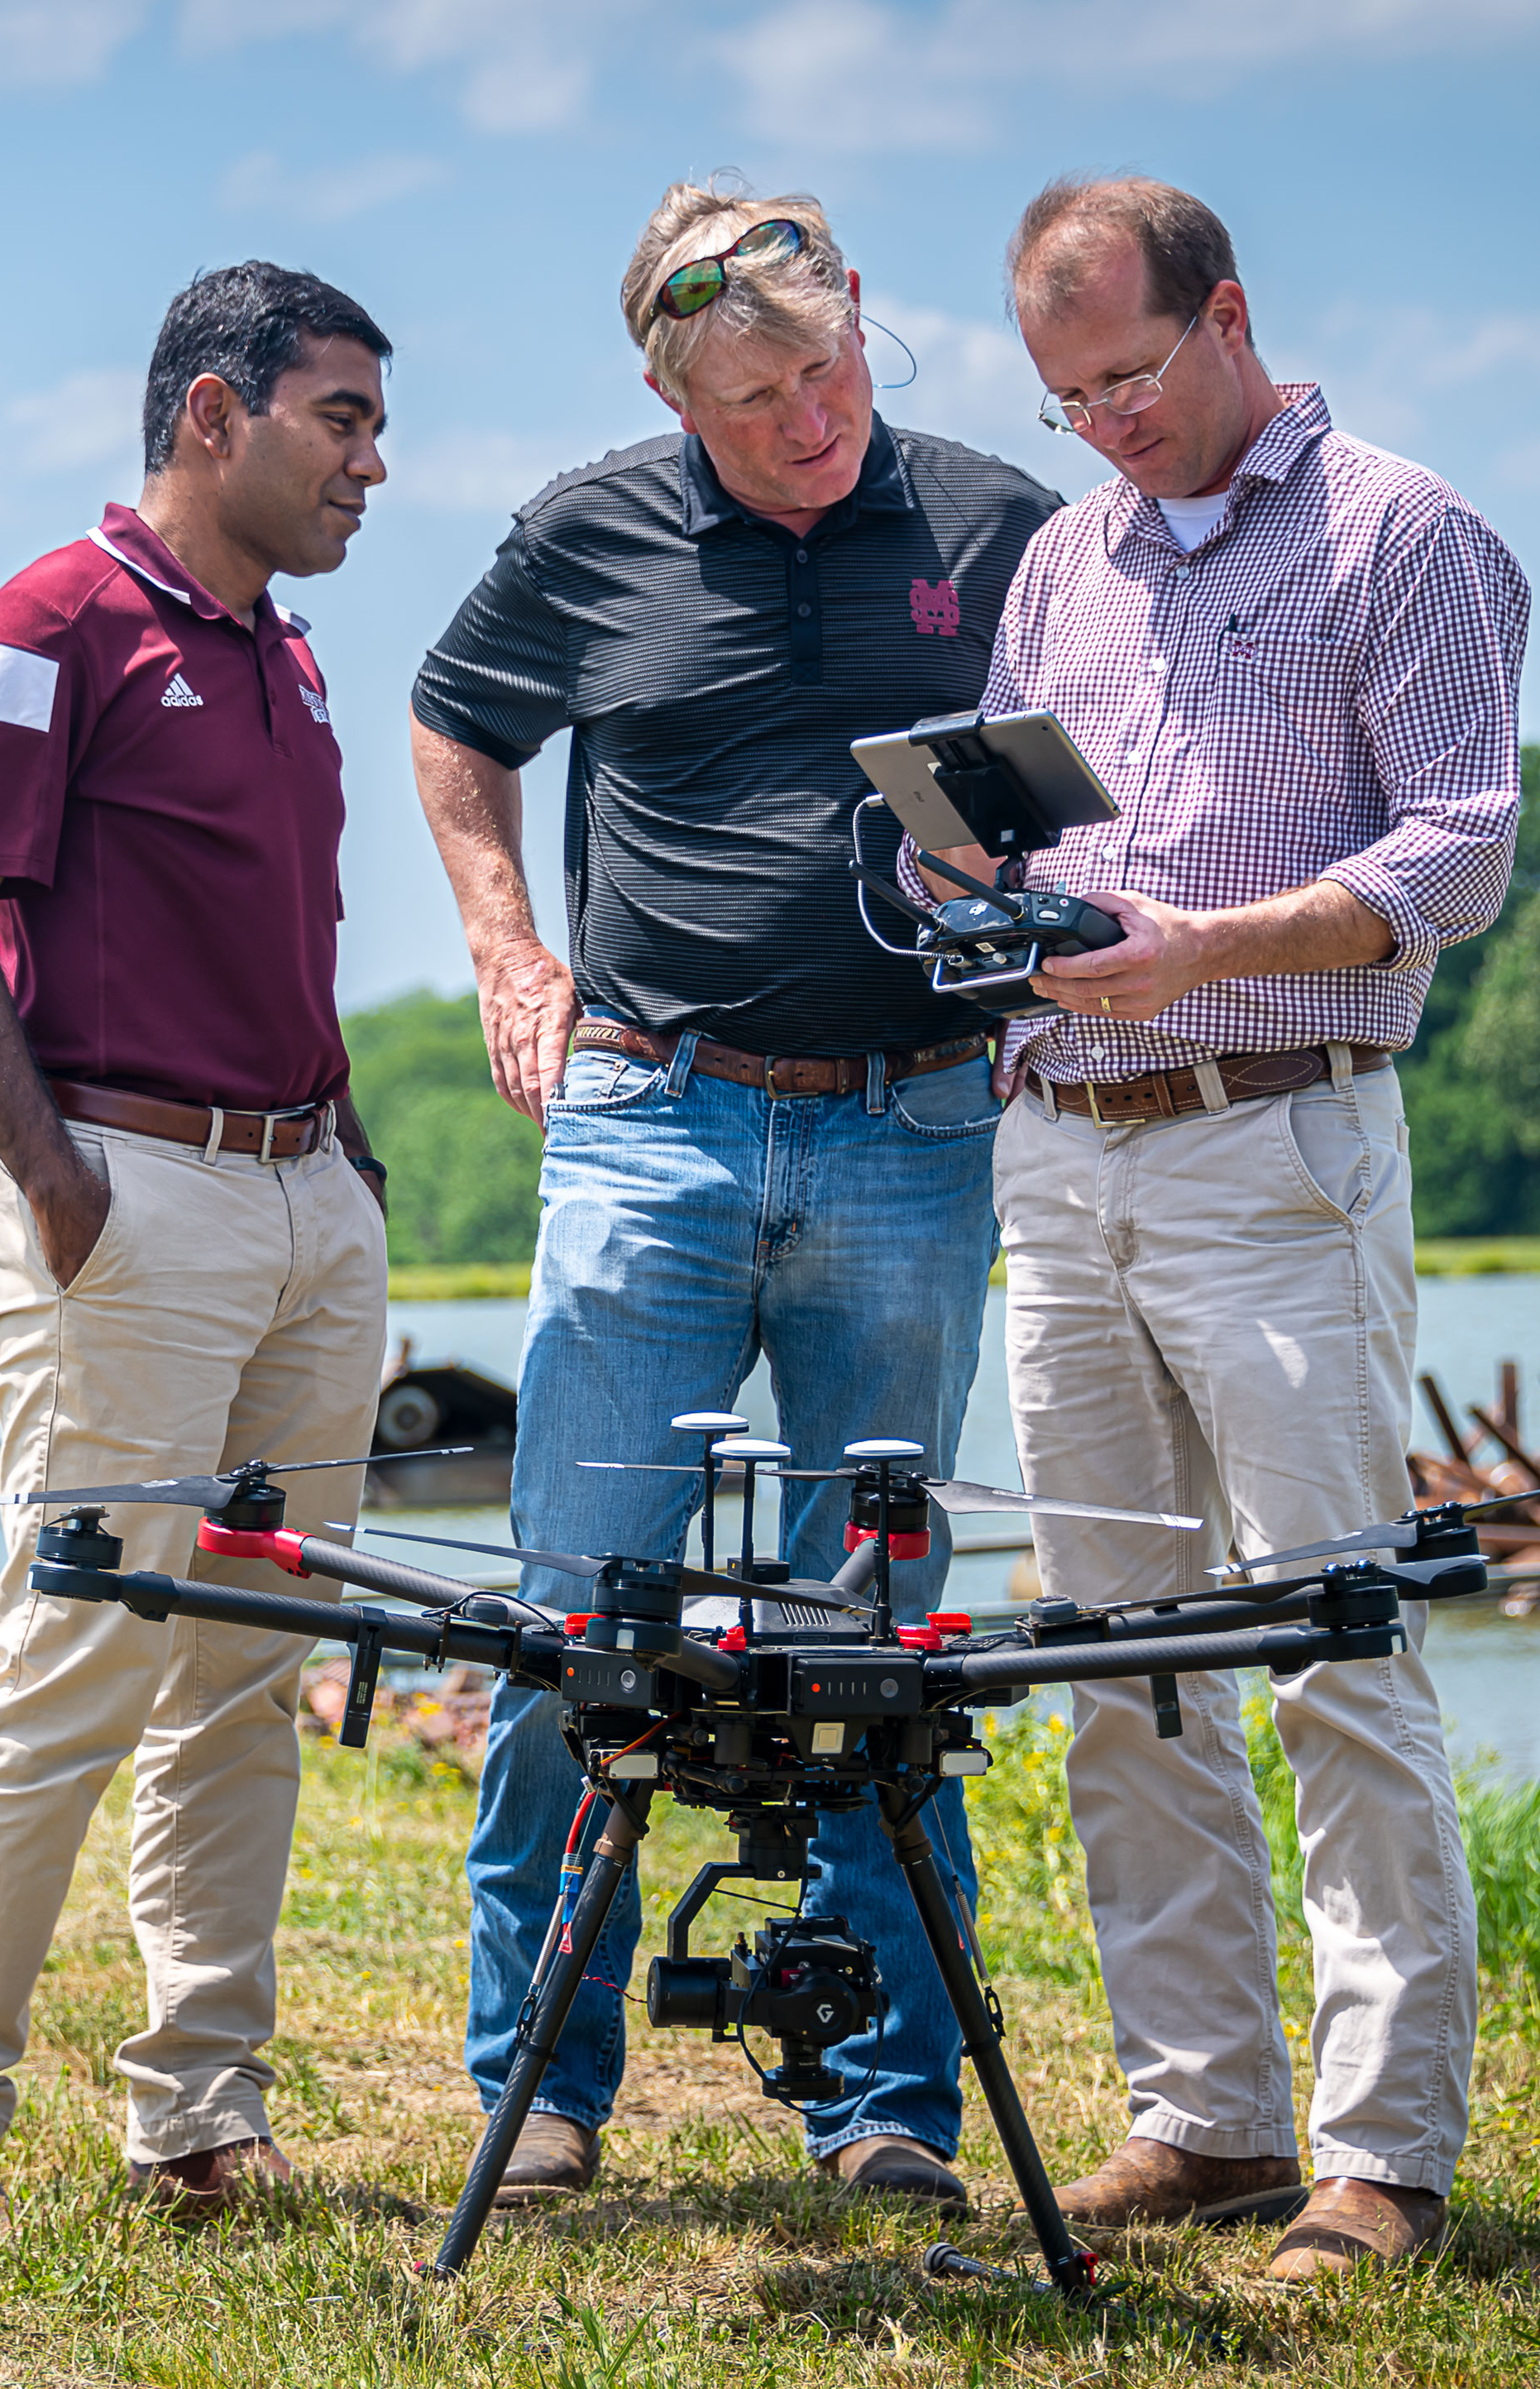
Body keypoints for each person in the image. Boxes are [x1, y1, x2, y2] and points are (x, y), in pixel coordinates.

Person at [408, 184, 1064, 2212]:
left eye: (830, 365)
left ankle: (883, 2107)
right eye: (759, 394)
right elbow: (453, 731)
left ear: (866, 311)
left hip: (917, 1127)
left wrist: (1024, 913)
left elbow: (1088, 772)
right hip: (653, 1125)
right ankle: (546, 2088)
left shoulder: (1003, 524)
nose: (811, 418)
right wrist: (514, 955)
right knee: (566, 1623)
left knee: (879, 1636)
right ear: (671, 395)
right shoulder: (584, 531)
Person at [950, 175, 1528, 2281]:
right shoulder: (1060, 566)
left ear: (1229, 317)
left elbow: (1457, 848)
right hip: (1062, 1144)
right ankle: (1201, 2112)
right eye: (1064, 395)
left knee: (1332, 1648)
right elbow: (1033, 829)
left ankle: (1384, 2155)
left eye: (1125, 375)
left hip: (1275, 1138)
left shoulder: (1404, 529)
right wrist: (973, 890)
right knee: (1122, 1660)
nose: (1103, 424)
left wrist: (1208, 952)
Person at [0, 261, 395, 2233]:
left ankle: (199, 2115)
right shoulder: (41, 623)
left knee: (254, 1670)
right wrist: (57, 1178)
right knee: (78, 1655)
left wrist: (346, 1165)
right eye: (339, 416)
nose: (374, 462)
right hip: (127, 1195)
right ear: (210, 417)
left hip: (305, 1201)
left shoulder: (290, 654)